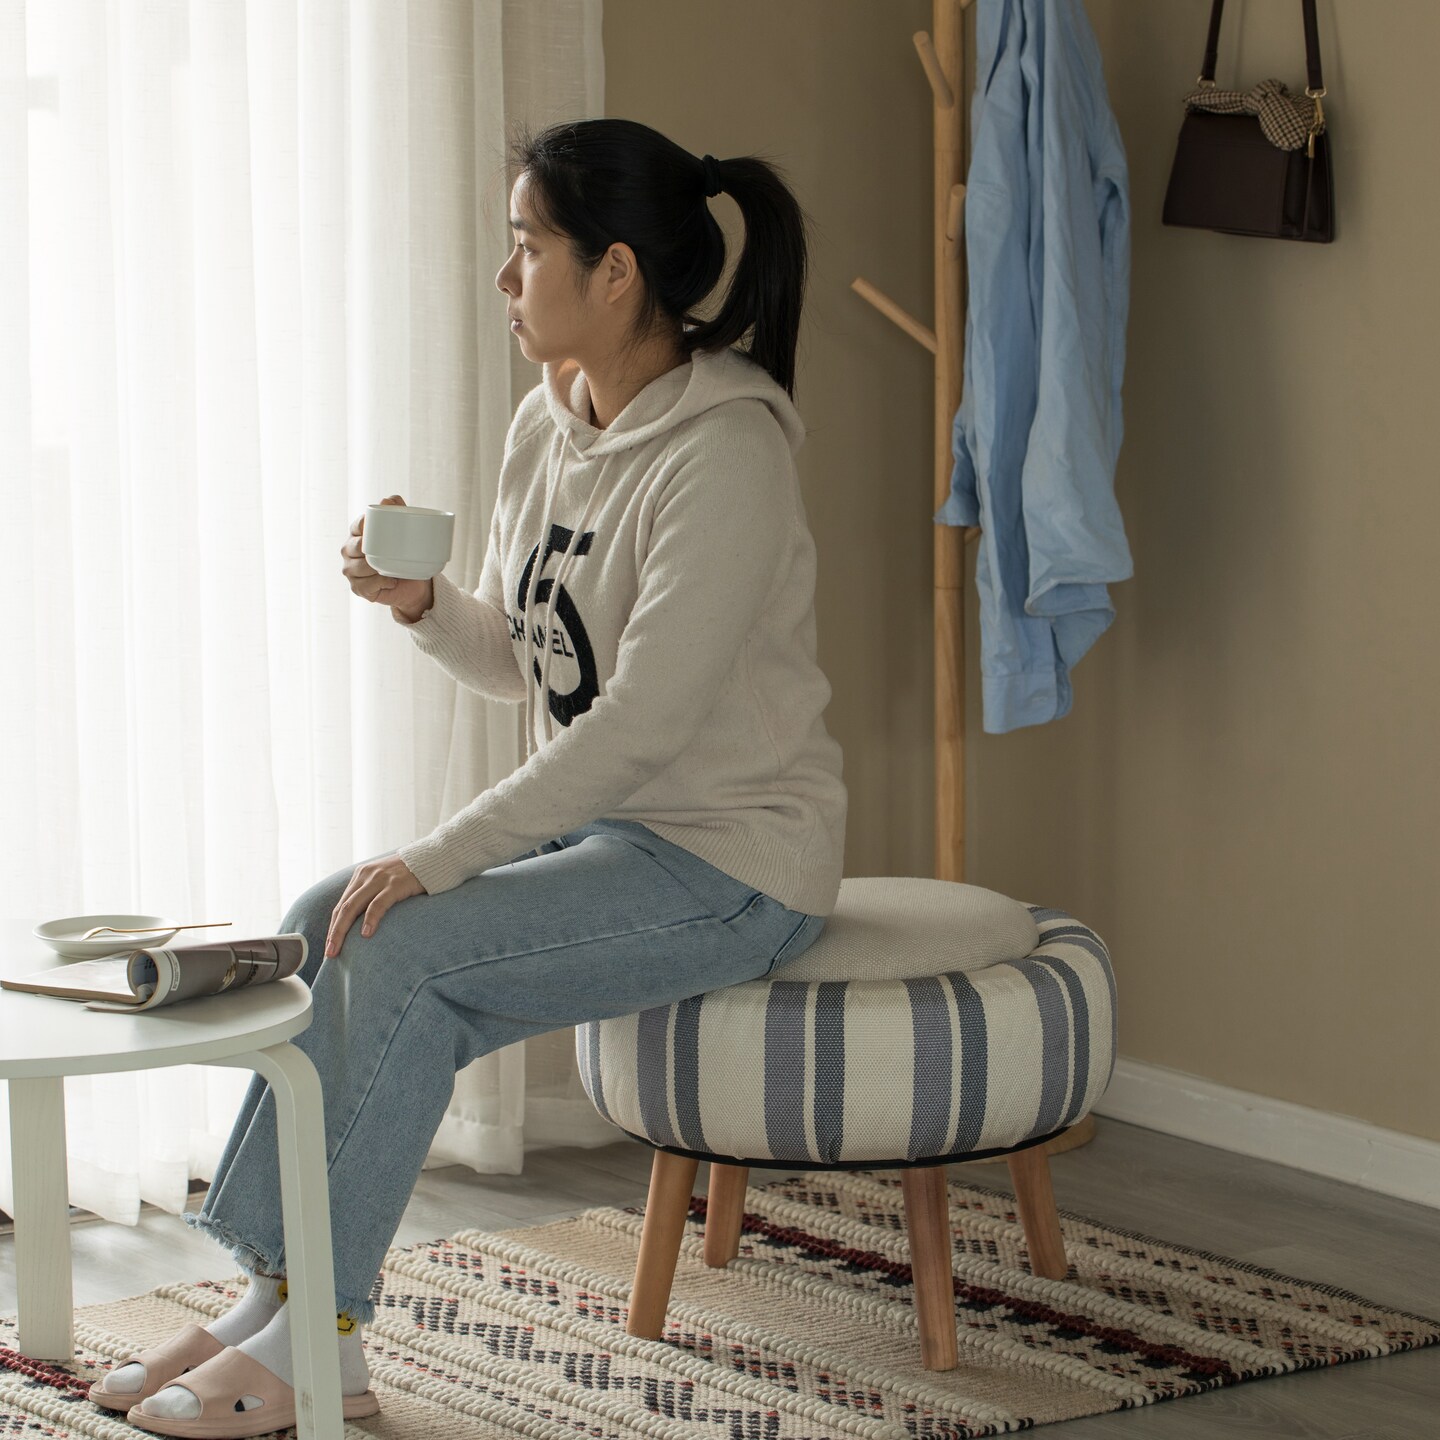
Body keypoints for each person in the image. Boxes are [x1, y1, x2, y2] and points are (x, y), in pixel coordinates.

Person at [90, 116, 847, 1440]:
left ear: (616, 274)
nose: (506, 279)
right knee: (338, 906)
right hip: (620, 836)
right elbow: (534, 662)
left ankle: (321, 1335)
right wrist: (428, 604)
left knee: (396, 934)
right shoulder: (547, 425)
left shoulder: (727, 455)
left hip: (735, 863)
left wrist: (441, 857)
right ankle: (282, 1297)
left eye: (525, 249)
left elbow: (640, 726)